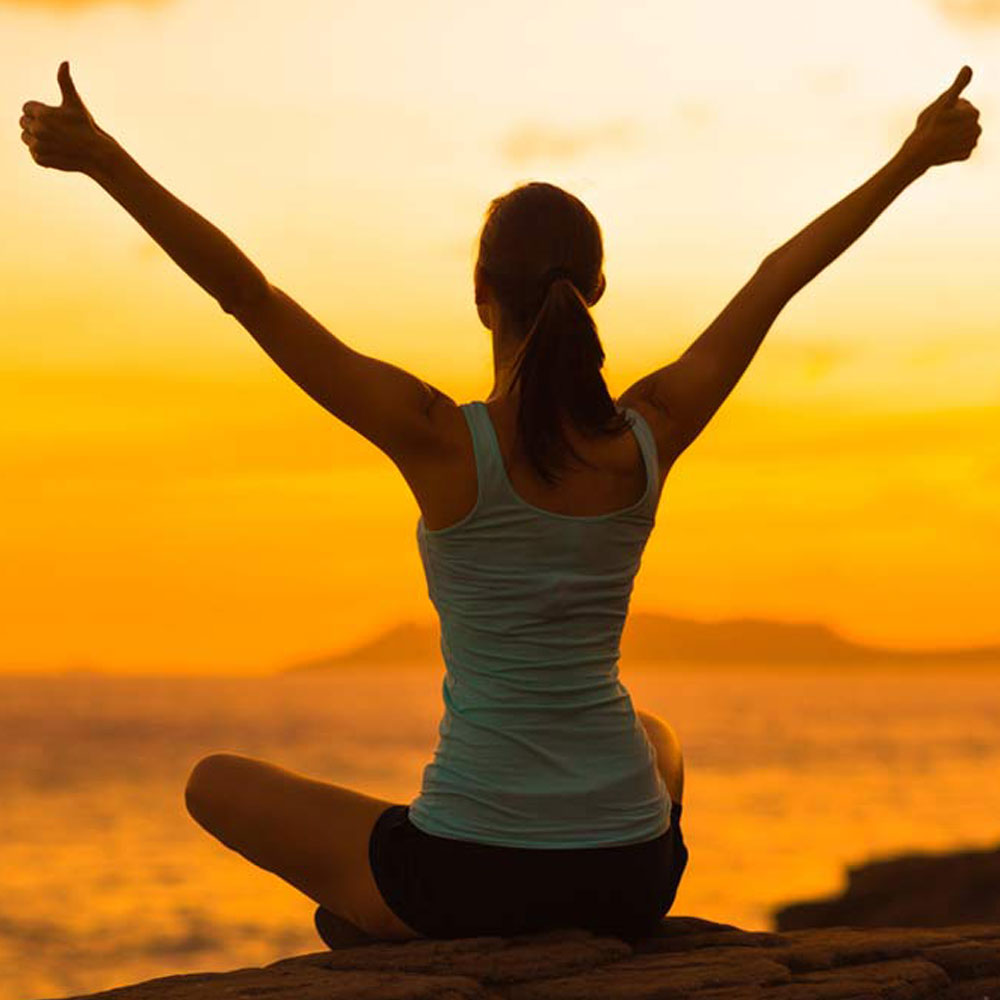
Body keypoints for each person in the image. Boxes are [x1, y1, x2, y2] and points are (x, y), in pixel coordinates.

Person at [20, 62, 981, 944]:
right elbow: (778, 278)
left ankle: (385, 912)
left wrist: (104, 162)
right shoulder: (649, 434)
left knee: (213, 783)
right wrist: (912, 159)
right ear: (597, 289)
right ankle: (404, 899)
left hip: (466, 881)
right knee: (657, 736)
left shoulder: (438, 438)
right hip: (632, 878)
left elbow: (247, 293)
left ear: (482, 297)